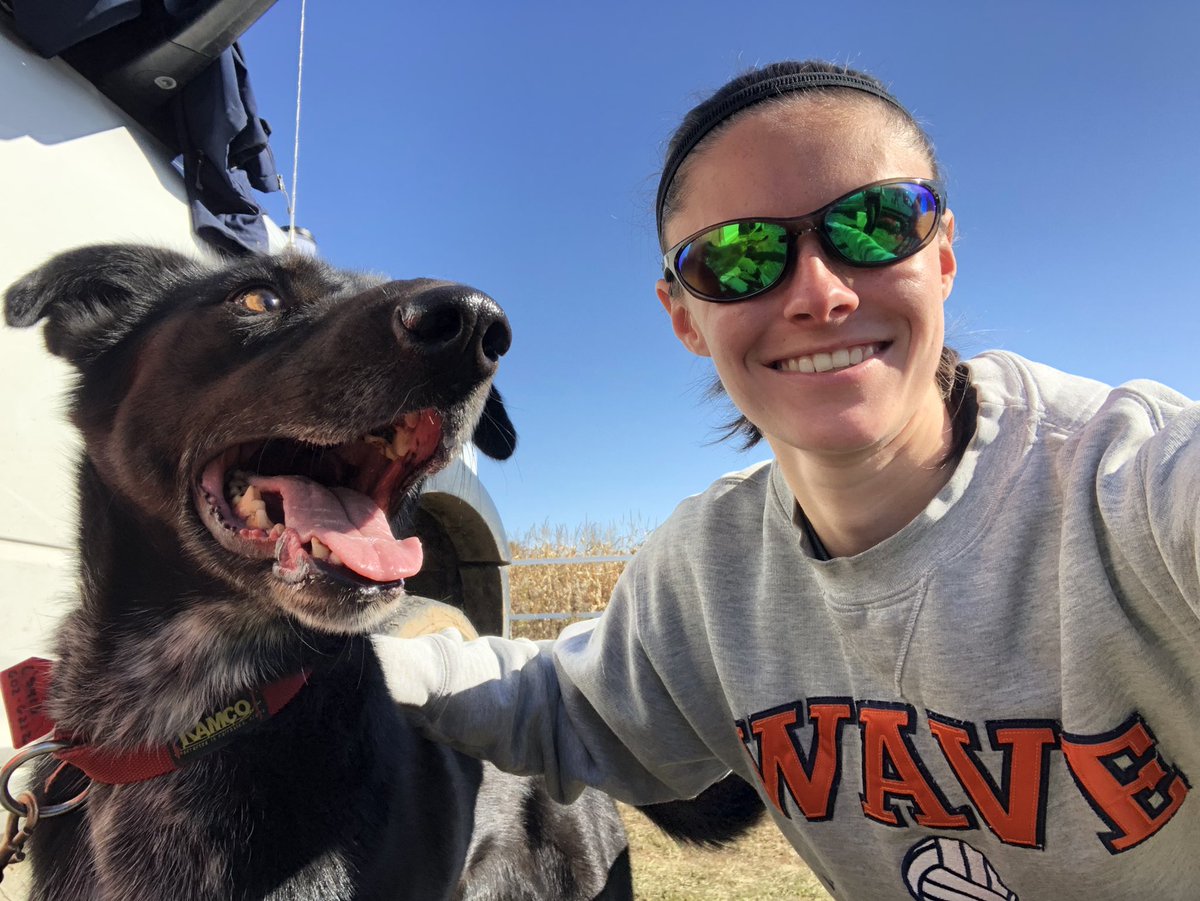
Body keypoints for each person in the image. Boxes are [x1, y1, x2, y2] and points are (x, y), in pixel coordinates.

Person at [372, 60, 1200, 900]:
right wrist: (352, 660)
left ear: (942, 255)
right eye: (737, 257)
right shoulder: (710, 573)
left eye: (875, 223)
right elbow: (552, 702)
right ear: (684, 316)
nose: (820, 291)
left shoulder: (1134, 487)